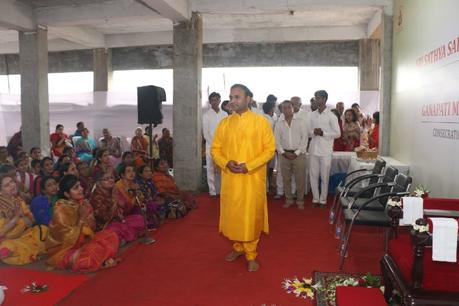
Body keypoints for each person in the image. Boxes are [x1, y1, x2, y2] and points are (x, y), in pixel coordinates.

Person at [211, 84, 275, 272]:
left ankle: (251, 254)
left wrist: (249, 166)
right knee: (233, 215)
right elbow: (215, 149)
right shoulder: (224, 123)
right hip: (231, 178)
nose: (233, 100)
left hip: (252, 178)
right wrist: (225, 162)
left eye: (237, 97)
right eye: (231, 97)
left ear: (248, 98)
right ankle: (238, 247)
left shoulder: (261, 122)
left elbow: (269, 149)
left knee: (250, 216)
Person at [46, 175, 119, 272]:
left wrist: (89, 216)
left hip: (84, 242)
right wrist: (82, 218)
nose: (81, 189)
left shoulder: (83, 203)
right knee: (91, 255)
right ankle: (103, 259)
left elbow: (92, 228)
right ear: (67, 194)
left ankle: (102, 258)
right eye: (76, 188)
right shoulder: (61, 210)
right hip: (65, 249)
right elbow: (66, 239)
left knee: (111, 235)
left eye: (80, 186)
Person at [0, 174, 47, 265]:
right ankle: (32, 252)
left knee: (43, 229)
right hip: (6, 239)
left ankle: (30, 251)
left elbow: (32, 221)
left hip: (23, 235)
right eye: (7, 185)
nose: (12, 185)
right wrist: (16, 218)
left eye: (12, 182)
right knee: (6, 248)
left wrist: (26, 219)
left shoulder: (18, 200)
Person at [90, 170, 145, 244]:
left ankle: (122, 238)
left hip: (120, 220)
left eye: (111, 178)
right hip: (106, 225)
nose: (110, 180)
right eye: (106, 179)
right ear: (99, 183)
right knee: (115, 230)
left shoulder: (115, 190)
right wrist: (115, 204)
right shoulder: (96, 196)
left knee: (139, 219)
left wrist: (124, 204)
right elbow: (103, 218)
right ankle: (120, 238)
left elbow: (127, 210)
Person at [308, 90, 341, 207]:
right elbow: (307, 132)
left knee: (324, 176)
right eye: (315, 97)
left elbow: (338, 133)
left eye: (318, 98)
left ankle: (323, 200)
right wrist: (313, 132)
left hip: (326, 150)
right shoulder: (311, 115)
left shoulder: (331, 116)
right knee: (313, 175)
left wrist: (323, 133)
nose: (316, 100)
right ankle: (315, 199)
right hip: (313, 149)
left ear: (324, 99)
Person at [274, 100, 309, 209]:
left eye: (289, 107)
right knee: (286, 179)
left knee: (300, 178)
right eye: (284, 108)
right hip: (284, 155)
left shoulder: (301, 121)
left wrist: (297, 153)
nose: (287, 110)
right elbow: (276, 141)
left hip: (299, 154)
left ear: (293, 108)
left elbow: (305, 139)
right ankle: (288, 199)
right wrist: (283, 153)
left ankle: (300, 200)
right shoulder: (279, 124)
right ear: (282, 110)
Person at [115, 164, 159, 231]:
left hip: (135, 206)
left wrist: (140, 197)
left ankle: (148, 223)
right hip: (126, 211)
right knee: (140, 212)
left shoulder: (134, 184)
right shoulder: (119, 186)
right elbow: (126, 203)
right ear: (122, 175)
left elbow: (141, 198)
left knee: (151, 205)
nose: (131, 173)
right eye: (128, 171)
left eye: (133, 171)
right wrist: (135, 196)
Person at [203, 92, 227, 197]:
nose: (215, 102)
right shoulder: (206, 115)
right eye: (212, 100)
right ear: (210, 102)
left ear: (220, 101)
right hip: (210, 147)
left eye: (217, 99)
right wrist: (215, 145)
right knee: (211, 169)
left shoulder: (225, 115)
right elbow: (205, 133)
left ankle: (222, 191)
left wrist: (223, 144)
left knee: (222, 169)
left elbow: (227, 131)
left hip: (223, 147)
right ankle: (212, 191)